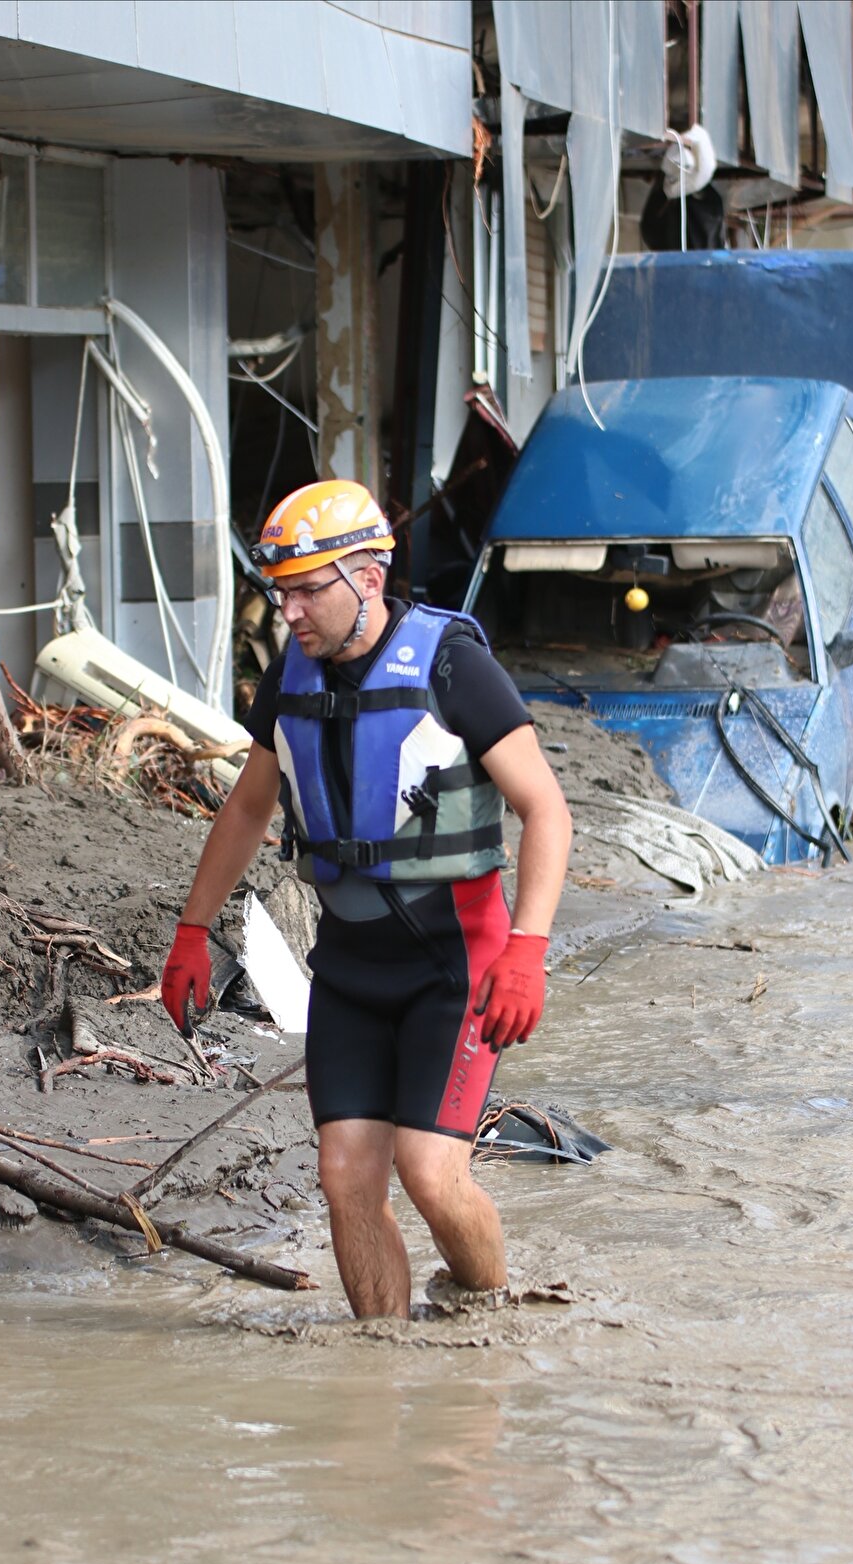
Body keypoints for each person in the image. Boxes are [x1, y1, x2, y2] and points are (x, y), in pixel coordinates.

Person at [160, 479, 572, 1316]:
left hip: (454, 969)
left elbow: (546, 810)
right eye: (282, 593)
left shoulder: (454, 664)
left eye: (311, 589)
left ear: (370, 578)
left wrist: (527, 952)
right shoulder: (292, 678)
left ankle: (485, 1319)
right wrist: (192, 930)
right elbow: (247, 806)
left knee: (427, 1171)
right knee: (346, 1176)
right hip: (348, 970)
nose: (293, 611)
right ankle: (382, 1363)